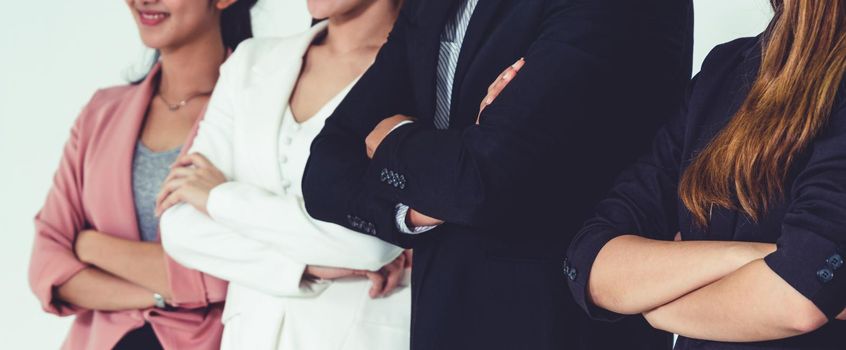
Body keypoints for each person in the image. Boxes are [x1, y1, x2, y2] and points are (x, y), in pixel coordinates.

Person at [301, 0, 694, 348]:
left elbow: (482, 180)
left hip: (560, 321)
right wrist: (421, 209)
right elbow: (324, 169)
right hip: (439, 315)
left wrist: (395, 137)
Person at [565, 0, 846, 348]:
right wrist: (749, 257)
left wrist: (659, 305)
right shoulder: (724, 71)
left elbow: (800, 300)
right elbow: (593, 263)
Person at [155, 1, 412, 349]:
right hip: (250, 336)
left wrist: (219, 198)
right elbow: (179, 224)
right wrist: (305, 268)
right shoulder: (251, 60)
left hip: (360, 334)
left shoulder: (418, 73)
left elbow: (373, 242)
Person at [27, 0, 256, 348]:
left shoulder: (258, 116)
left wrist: (92, 246)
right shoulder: (101, 113)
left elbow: (243, 269)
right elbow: (48, 265)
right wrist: (161, 294)